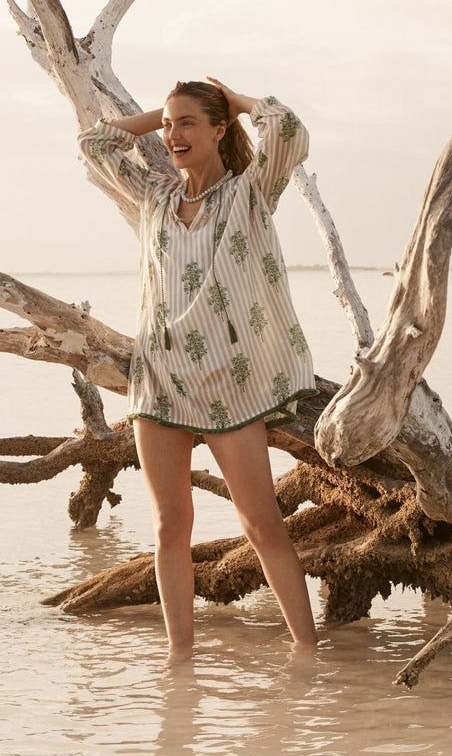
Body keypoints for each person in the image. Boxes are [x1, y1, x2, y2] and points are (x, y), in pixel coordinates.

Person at [78, 78, 319, 662]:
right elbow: (93, 144)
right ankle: (179, 661)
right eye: (169, 124)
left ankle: (309, 655)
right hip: (159, 380)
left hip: (228, 384)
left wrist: (232, 101)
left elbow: (287, 129)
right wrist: (160, 116)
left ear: (218, 131)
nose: (173, 134)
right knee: (170, 528)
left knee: (261, 524)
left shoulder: (250, 193)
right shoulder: (154, 195)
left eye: (188, 123)